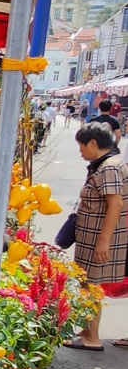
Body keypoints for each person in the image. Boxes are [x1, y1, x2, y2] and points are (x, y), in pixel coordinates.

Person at [63, 122, 127, 351]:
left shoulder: (109, 167)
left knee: (91, 285)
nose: (80, 151)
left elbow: (115, 204)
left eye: (81, 146)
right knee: (89, 284)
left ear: (93, 143)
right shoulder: (109, 163)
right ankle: (88, 330)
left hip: (98, 239)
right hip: (92, 237)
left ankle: (92, 338)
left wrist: (103, 241)